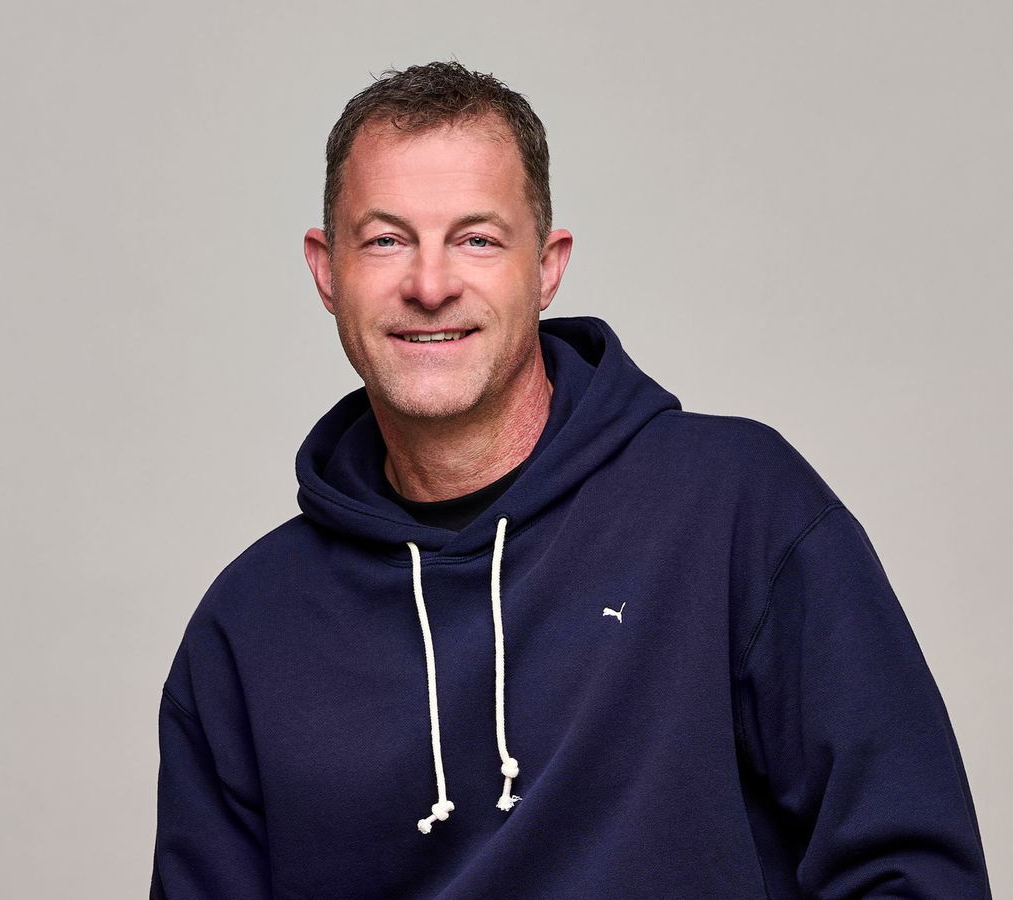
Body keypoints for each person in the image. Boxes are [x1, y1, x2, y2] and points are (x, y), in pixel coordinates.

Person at [150, 61, 990, 899]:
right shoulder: (247, 626)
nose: (430, 285)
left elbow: (912, 873)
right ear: (327, 270)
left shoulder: (736, 509)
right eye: (386, 240)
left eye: (477, 239)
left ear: (547, 269)